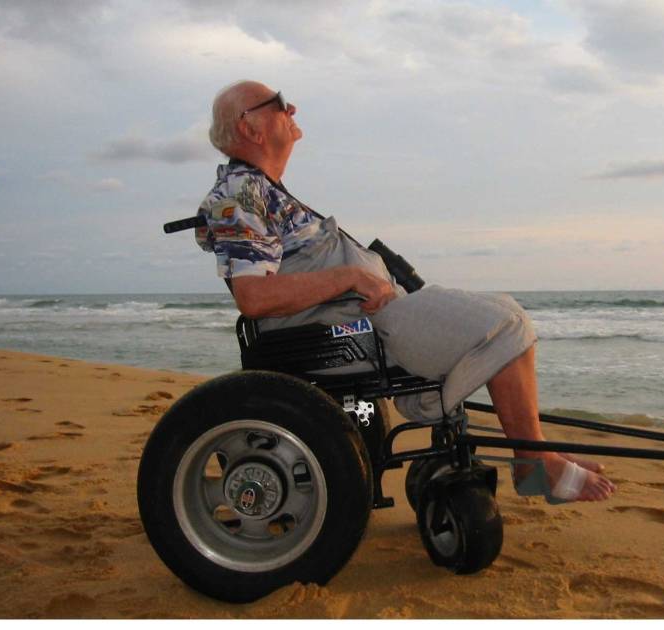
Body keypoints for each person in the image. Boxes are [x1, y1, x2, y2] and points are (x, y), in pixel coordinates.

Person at [195, 80, 615, 503]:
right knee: (505, 322)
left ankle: (534, 448)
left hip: (363, 318)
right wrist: (352, 277)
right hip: (350, 329)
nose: (294, 109)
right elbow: (254, 297)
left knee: (504, 311)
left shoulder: (261, 189)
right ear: (250, 127)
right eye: (281, 104)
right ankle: (532, 457)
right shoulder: (239, 192)